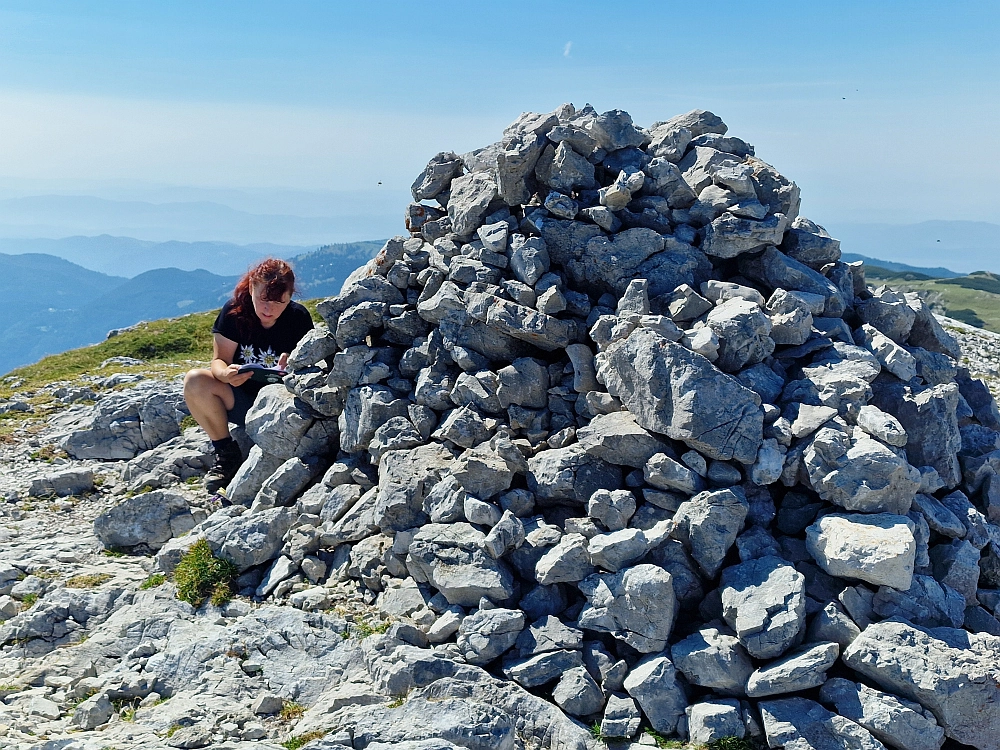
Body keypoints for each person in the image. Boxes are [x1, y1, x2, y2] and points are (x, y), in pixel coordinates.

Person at [184, 258, 314, 494]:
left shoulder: (298, 318)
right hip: (240, 400)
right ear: (252, 287)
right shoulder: (235, 312)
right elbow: (219, 360)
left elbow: (314, 368)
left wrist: (294, 364)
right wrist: (225, 374)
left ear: (290, 297)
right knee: (195, 380)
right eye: (263, 299)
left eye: (279, 302)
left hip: (281, 407)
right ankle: (226, 453)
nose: (268, 309)